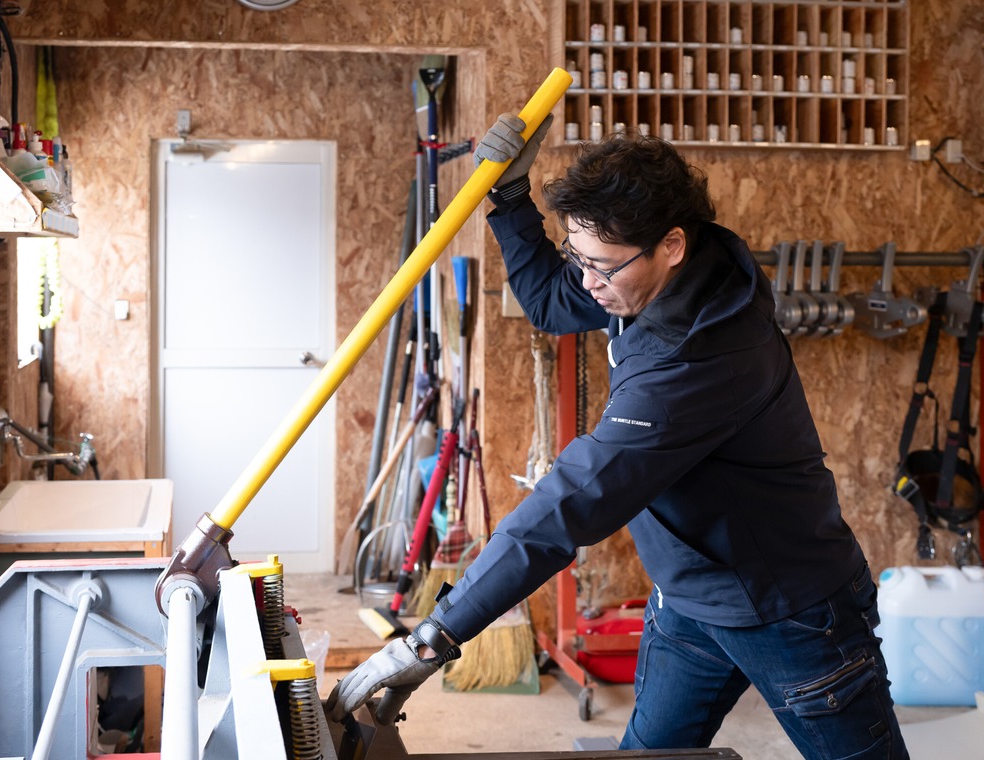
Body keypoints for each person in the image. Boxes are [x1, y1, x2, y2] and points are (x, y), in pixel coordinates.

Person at [328, 113, 910, 759]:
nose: (587, 282)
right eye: (578, 257)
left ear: (672, 245)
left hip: (788, 608)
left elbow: (568, 507)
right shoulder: (649, 277)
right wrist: (512, 198)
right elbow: (552, 304)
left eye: (601, 266)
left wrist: (431, 637)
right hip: (688, 595)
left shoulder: (697, 358)